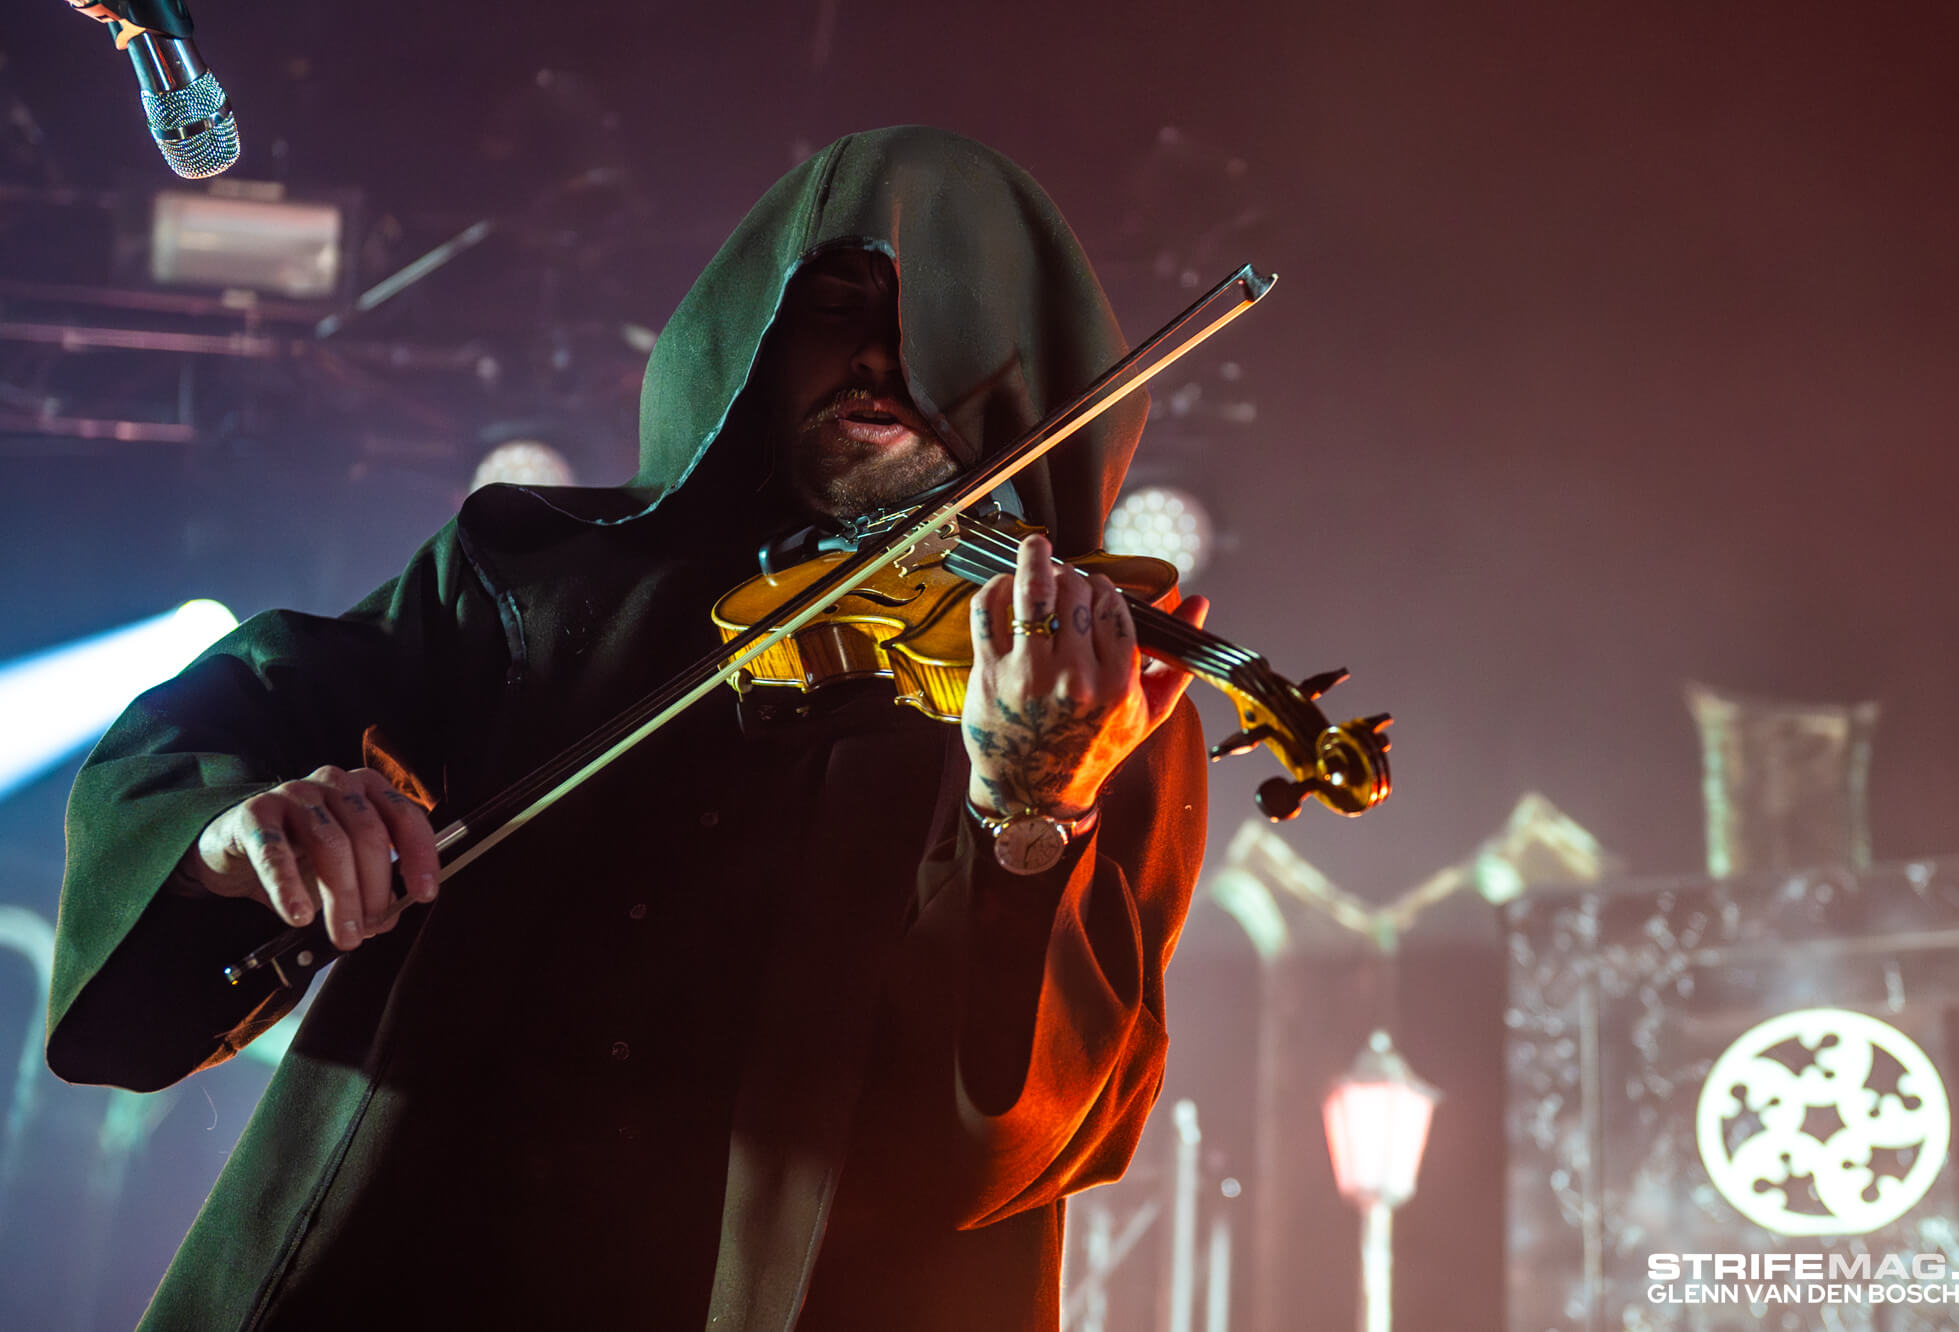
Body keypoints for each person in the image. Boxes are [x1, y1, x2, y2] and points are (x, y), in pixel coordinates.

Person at [46, 125, 1209, 1331]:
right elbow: (242, 703)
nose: (878, 358)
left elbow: (1023, 1130)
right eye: (834, 308)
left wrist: (1028, 810)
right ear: (754, 337)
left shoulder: (1088, 695)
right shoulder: (530, 577)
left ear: (1021, 362)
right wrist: (222, 829)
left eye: (937, 325)